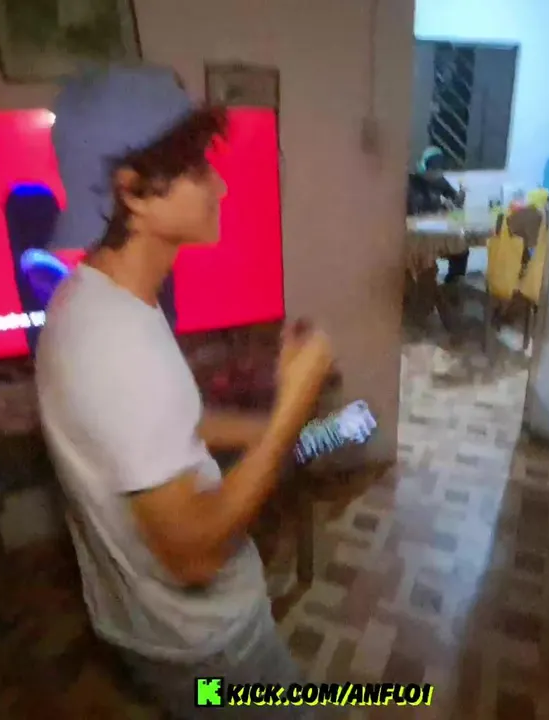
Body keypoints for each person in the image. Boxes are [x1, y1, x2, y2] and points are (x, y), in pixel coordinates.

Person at [34, 66, 335, 718]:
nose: (219, 185)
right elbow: (193, 555)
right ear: (134, 192)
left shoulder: (94, 299)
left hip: (147, 626)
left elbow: (164, 431)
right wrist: (292, 405)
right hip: (206, 644)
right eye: (199, 169)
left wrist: (272, 432)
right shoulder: (118, 346)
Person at [406, 147, 468, 284]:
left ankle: (453, 284)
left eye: (440, 170)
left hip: (437, 231)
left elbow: (455, 203)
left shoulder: (440, 181)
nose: (437, 174)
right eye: (434, 170)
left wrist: (460, 195)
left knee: (461, 249)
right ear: (423, 167)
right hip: (416, 236)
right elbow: (414, 213)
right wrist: (440, 208)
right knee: (425, 266)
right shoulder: (410, 183)